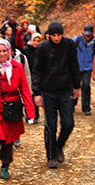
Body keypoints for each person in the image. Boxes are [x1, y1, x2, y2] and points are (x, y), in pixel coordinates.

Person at [0, 39, 35, 179]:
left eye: (4, 51)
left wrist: (30, 112)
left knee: (8, 140)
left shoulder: (18, 67)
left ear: (9, 52)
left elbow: (25, 90)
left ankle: (5, 166)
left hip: (11, 110)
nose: (2, 54)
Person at [32, 21, 81, 169]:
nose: (56, 38)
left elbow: (74, 65)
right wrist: (37, 93)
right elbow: (37, 71)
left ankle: (59, 145)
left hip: (65, 89)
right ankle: (51, 156)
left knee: (68, 123)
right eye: (53, 35)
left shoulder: (69, 45)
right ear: (48, 35)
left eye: (59, 35)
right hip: (48, 91)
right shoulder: (42, 48)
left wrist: (77, 86)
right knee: (50, 125)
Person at [73, 24, 95, 115]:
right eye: (86, 34)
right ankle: (72, 105)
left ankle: (86, 108)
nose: (88, 36)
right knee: (73, 86)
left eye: (90, 34)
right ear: (83, 32)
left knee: (86, 86)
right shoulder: (76, 40)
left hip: (87, 68)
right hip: (75, 68)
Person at [22, 32, 44, 123]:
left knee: (37, 95)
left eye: (38, 41)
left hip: (38, 76)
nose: (36, 42)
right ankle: (29, 115)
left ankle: (36, 115)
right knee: (29, 96)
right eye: (34, 40)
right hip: (28, 75)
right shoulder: (26, 50)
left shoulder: (43, 50)